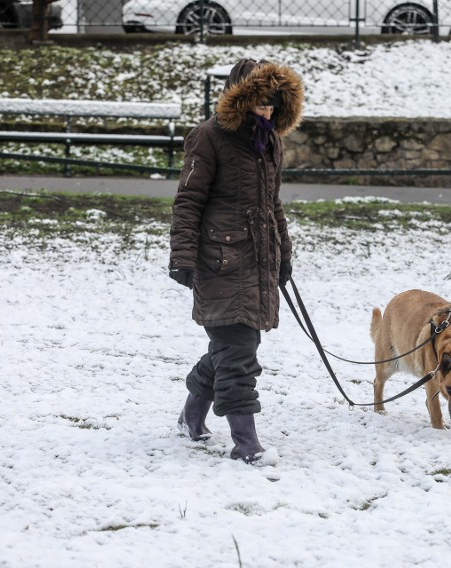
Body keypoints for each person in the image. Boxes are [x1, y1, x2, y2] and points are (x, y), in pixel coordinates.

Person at [168, 58, 304, 464]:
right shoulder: (207, 137)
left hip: (258, 262)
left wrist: (284, 253)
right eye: (260, 103)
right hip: (219, 261)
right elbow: (187, 201)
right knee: (239, 355)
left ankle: (191, 418)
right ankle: (247, 444)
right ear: (240, 99)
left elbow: (272, 205)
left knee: (230, 350)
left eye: (273, 105)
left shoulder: (270, 143)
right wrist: (183, 257)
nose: (267, 111)